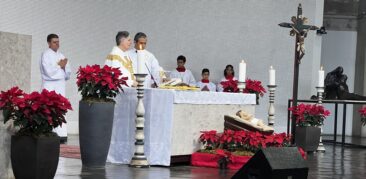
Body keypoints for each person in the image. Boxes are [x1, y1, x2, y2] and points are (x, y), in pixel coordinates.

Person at [40, 34, 71, 143]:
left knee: (60, 108)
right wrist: (59, 66)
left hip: (60, 86)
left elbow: (67, 74)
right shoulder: (45, 55)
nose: (57, 44)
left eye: (58, 42)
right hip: (49, 85)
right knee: (48, 108)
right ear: (49, 43)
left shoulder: (62, 55)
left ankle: (61, 134)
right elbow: (48, 72)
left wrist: (63, 68)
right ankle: (48, 131)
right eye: (54, 42)